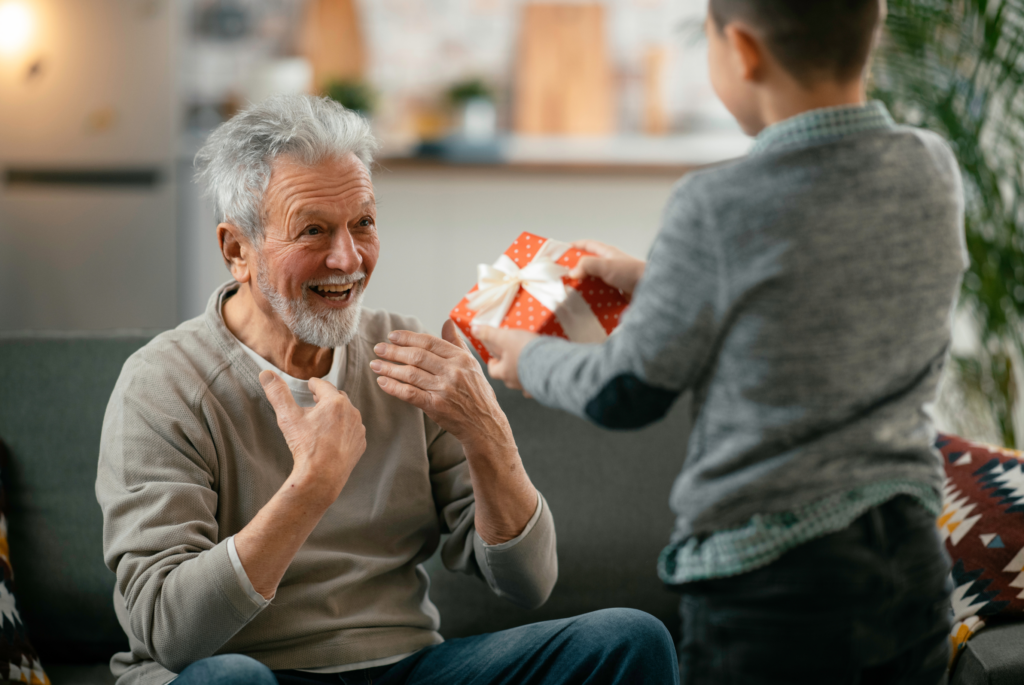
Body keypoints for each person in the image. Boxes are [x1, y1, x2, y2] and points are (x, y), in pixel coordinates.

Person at [95, 94, 679, 685]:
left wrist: (488, 432)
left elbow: (528, 584)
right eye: (313, 230)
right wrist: (311, 487)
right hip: (253, 674)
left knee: (628, 640)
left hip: (402, 668)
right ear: (236, 251)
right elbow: (168, 632)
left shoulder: (404, 351)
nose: (347, 258)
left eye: (363, 224)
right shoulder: (164, 383)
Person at [479, 0, 967, 682]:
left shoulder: (715, 204)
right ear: (874, 28)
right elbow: (825, 296)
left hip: (772, 584)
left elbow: (627, 390)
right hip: (910, 560)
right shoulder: (931, 169)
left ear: (741, 50)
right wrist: (664, 283)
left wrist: (527, 357)